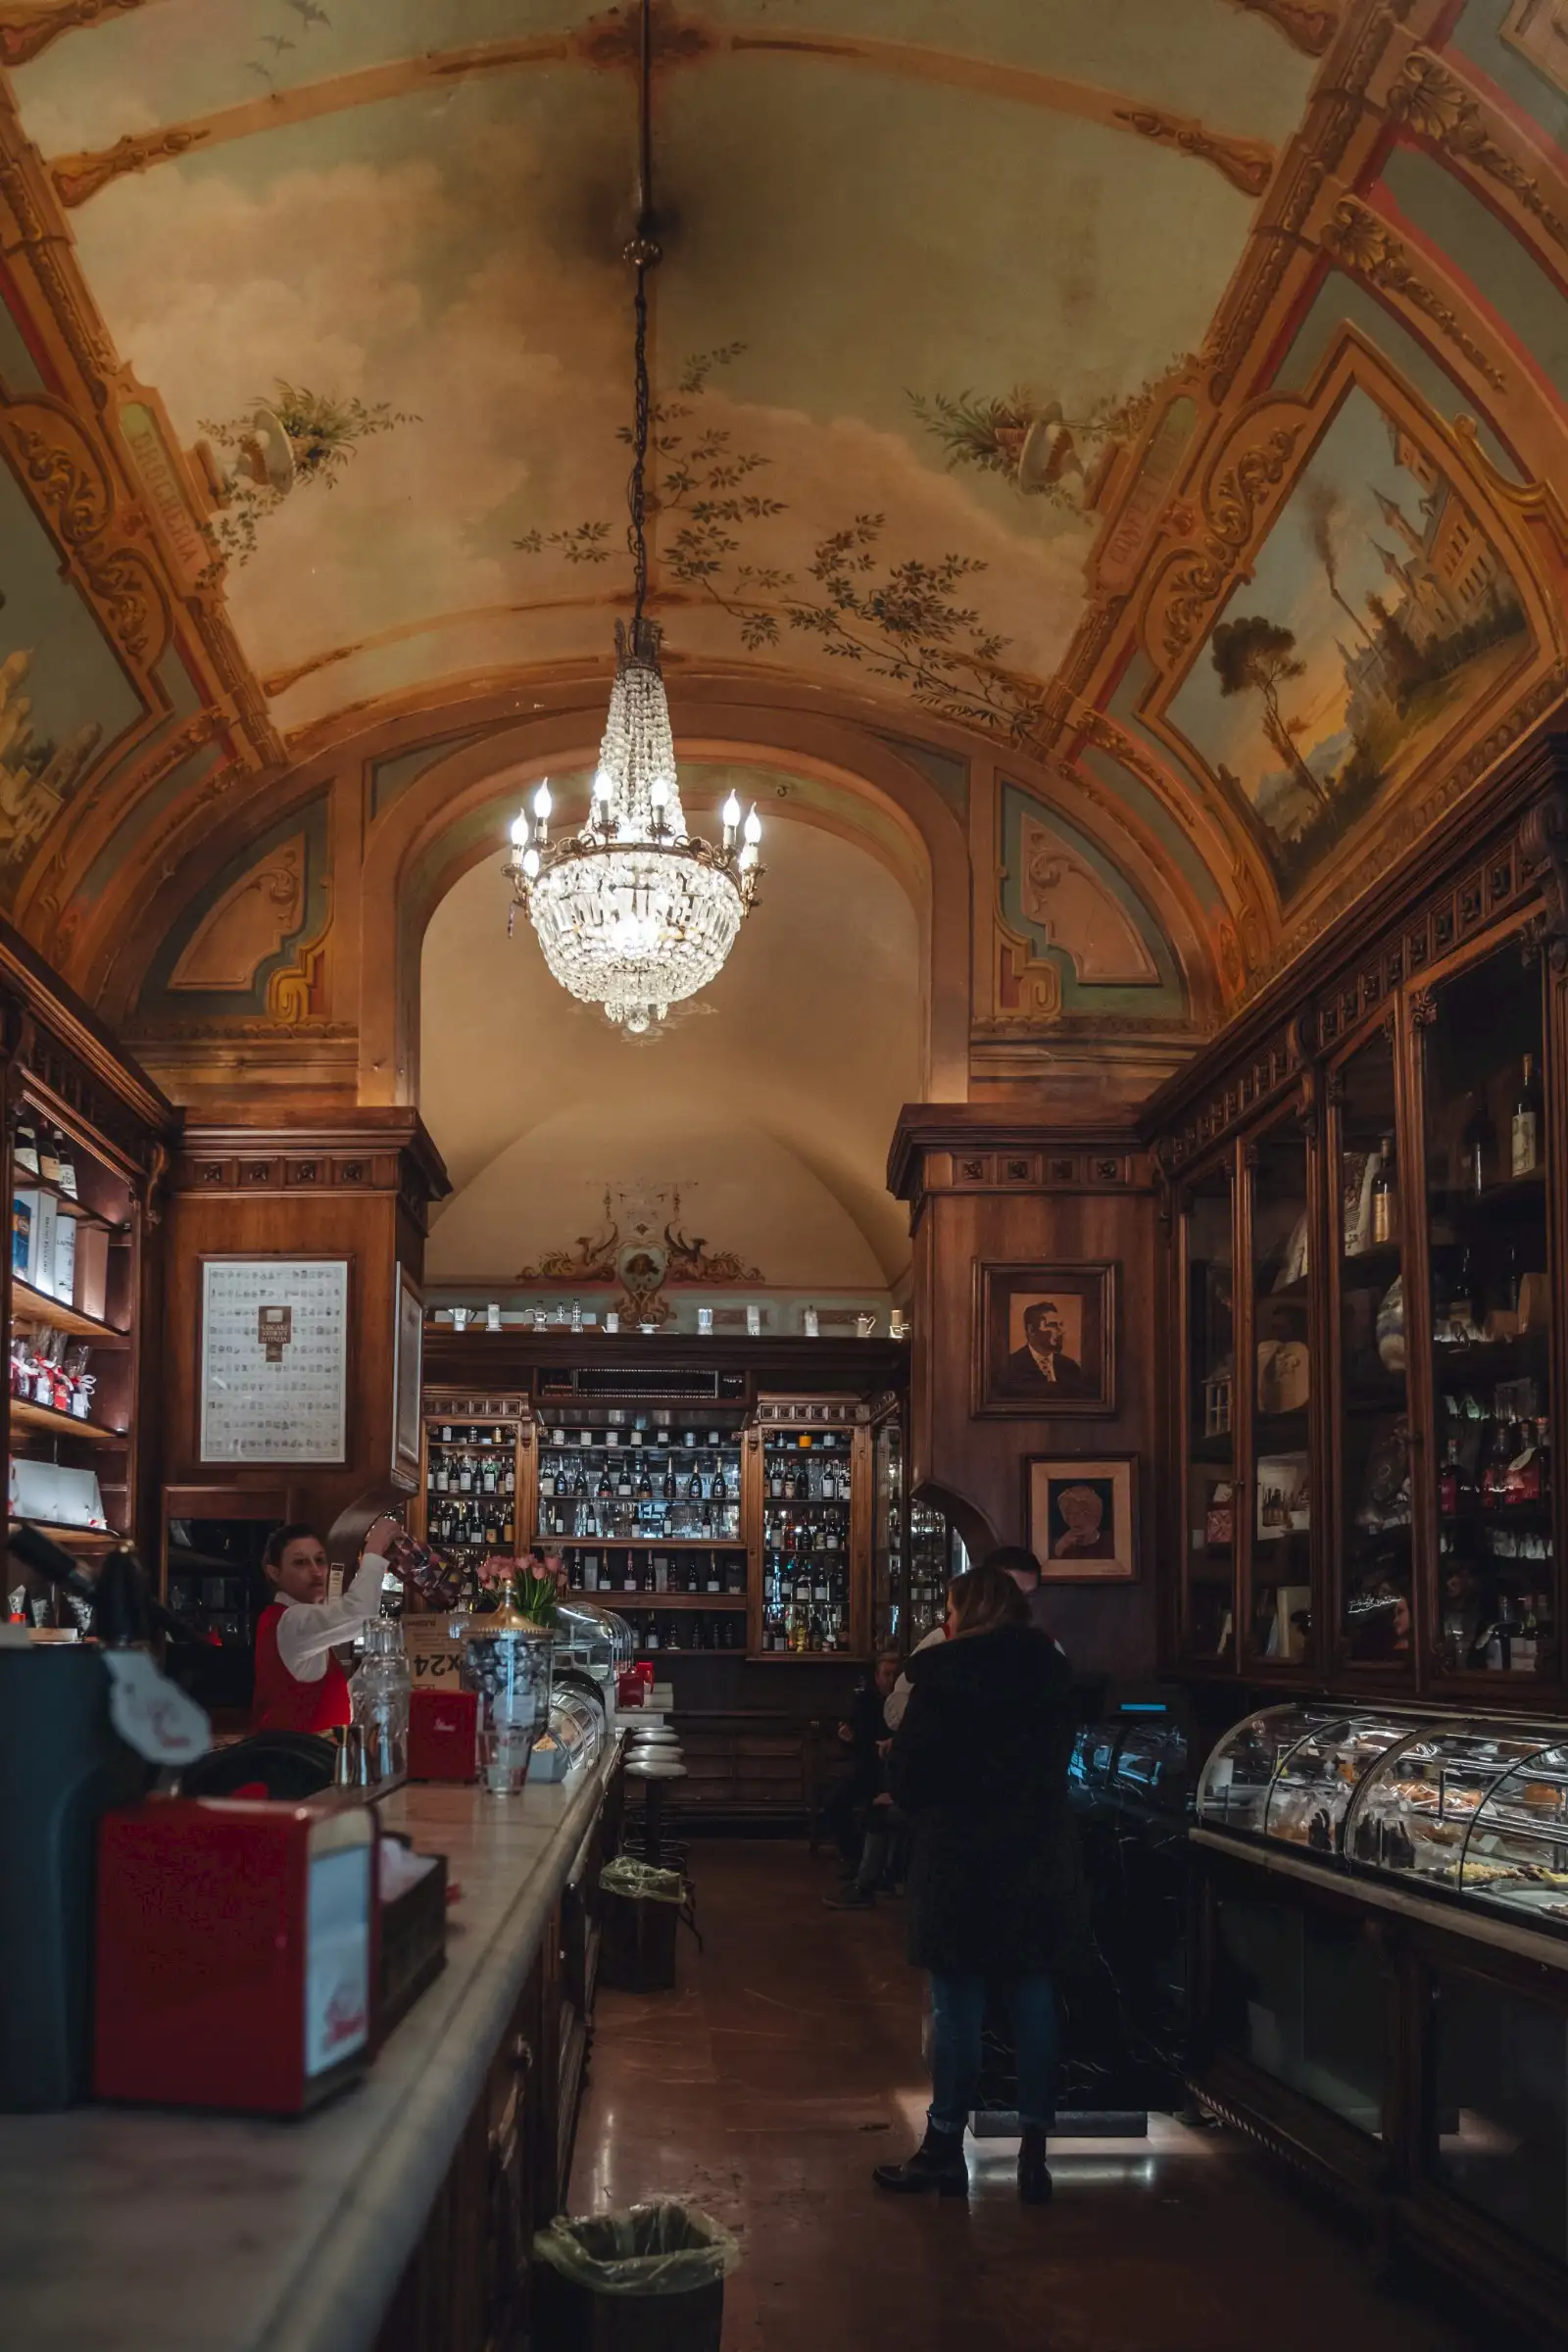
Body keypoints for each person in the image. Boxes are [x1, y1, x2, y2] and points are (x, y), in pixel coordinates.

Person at [873, 1562, 1076, 2206]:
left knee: (957, 2006)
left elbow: (909, 1778)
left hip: (959, 1855)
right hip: (1035, 1853)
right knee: (1032, 1997)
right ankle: (1035, 2149)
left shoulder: (944, 1675)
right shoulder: (1052, 1672)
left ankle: (942, 2147)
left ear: (965, 1613)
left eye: (952, 1610)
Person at [251, 1514, 404, 1734]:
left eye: (320, 1560)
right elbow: (359, 1615)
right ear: (274, 1573)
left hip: (310, 1755)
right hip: (298, 1759)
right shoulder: (292, 1620)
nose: (315, 1571)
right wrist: (375, 1551)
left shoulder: (295, 1619)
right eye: (300, 1562)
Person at [818, 1648, 901, 1868]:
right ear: (877, 1677)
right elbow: (854, 1738)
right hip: (867, 1768)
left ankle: (877, 1868)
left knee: (879, 1812)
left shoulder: (908, 1704)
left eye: (895, 1675)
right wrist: (845, 1736)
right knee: (834, 1802)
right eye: (887, 1674)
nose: (891, 1681)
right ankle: (855, 1859)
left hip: (898, 1773)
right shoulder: (866, 1701)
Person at [1004, 1298, 1091, 1396]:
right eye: (1052, 1325)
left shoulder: (1071, 1367)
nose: (1061, 1331)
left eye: (1061, 1325)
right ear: (1031, 1330)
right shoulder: (1011, 1366)